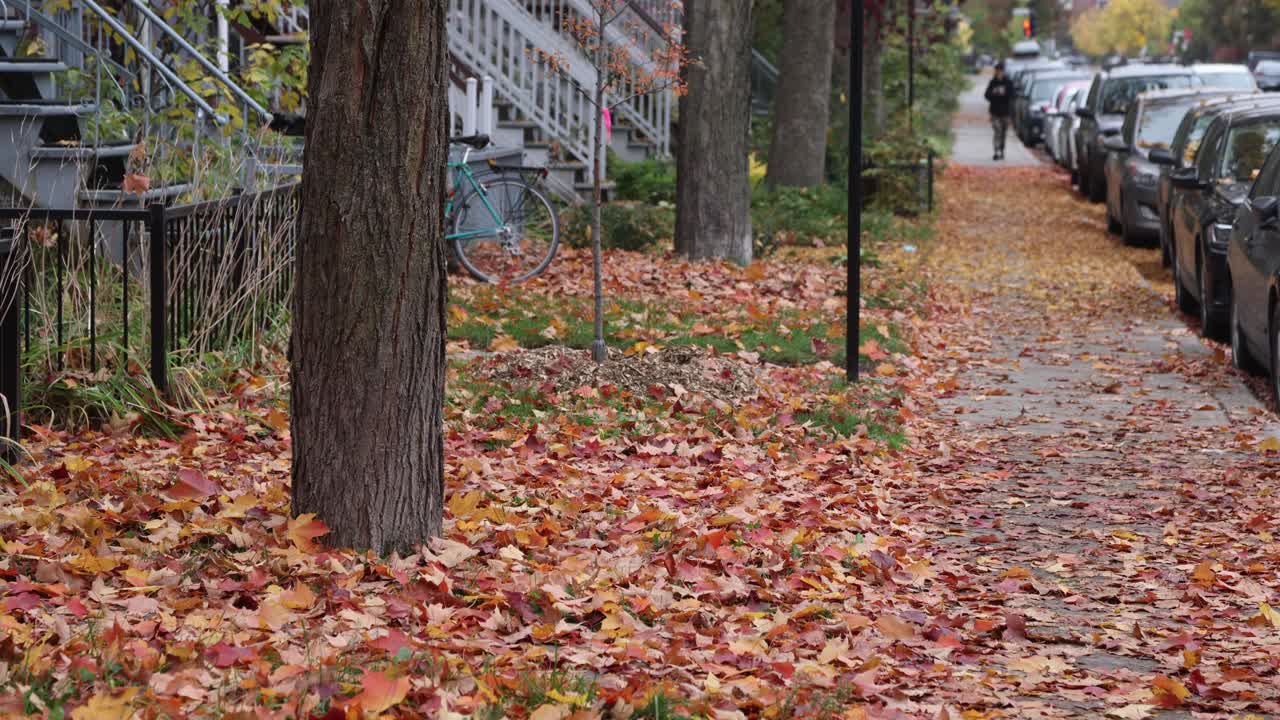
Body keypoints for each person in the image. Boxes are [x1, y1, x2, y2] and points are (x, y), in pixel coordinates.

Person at [985, 62, 1015, 161]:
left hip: (1005, 112)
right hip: (994, 112)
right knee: (997, 130)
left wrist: (1004, 92)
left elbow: (1012, 95)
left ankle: (1002, 149)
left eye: (1001, 71)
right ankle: (996, 150)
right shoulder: (992, 82)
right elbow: (986, 95)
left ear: (1003, 72)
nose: (999, 73)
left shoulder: (1008, 82)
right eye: (997, 71)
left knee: (1003, 132)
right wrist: (994, 93)